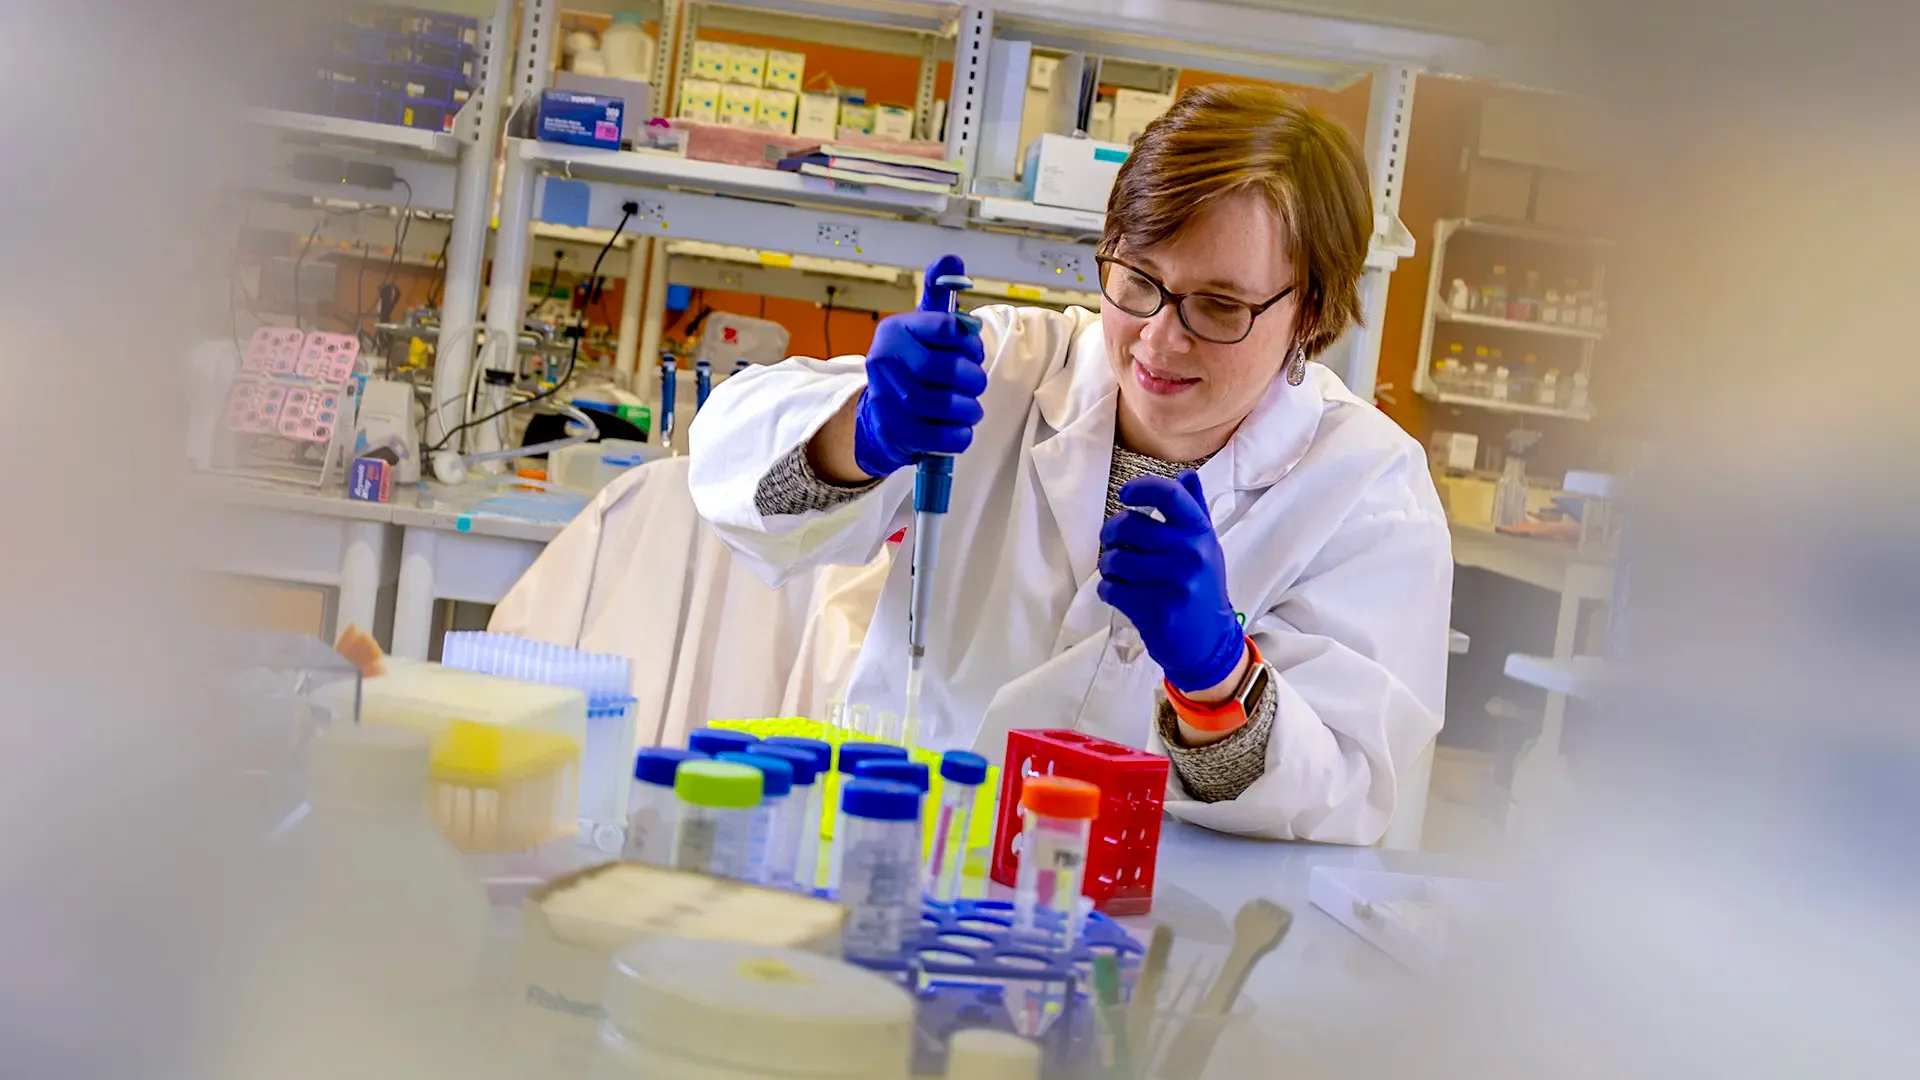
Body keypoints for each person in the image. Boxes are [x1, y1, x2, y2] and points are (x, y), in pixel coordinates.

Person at [689, 84, 1451, 844]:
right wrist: (860, 435)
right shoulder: (1006, 368)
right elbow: (727, 458)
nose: (1159, 339)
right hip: (902, 851)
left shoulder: (1368, 488)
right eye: (1139, 281)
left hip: (1166, 900)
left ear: (1310, 313)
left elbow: (1349, 789)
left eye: (1220, 306)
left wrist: (1218, 679)